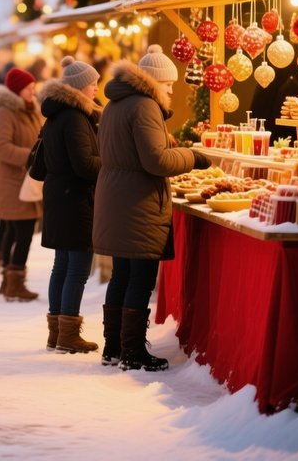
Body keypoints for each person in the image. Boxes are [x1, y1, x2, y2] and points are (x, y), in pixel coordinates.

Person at [93, 44, 212, 371]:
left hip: (116, 199)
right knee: (140, 278)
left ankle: (113, 347)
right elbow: (155, 161)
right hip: (137, 203)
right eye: (169, 85)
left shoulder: (115, 104)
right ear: (152, 82)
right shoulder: (145, 106)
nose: (172, 90)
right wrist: (192, 156)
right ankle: (132, 351)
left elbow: (130, 152)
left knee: (122, 274)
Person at [39, 56, 101, 354]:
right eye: (93, 84)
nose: (96, 89)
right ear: (79, 88)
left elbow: (37, 168)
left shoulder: (54, 115)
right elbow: (85, 166)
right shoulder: (75, 118)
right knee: (76, 268)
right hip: (75, 199)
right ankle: (68, 336)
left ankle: (56, 333)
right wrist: (112, 163)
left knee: (62, 266)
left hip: (57, 196)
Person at [0, 67, 43, 302]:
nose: (33, 91)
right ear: (17, 89)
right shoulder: (5, 112)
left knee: (16, 231)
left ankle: (9, 281)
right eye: (29, 87)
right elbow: (1, 147)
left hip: (26, 181)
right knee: (22, 232)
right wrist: (31, 156)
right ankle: (14, 283)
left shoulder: (30, 110)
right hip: (13, 183)